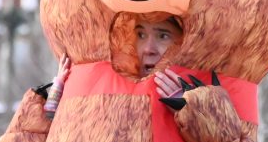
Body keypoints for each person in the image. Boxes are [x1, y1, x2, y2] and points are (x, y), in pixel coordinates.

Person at [44, 15, 186, 116]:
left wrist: (188, 108)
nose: (148, 49)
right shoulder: (110, 82)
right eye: (141, 35)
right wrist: (60, 91)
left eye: (163, 36)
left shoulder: (200, 91)